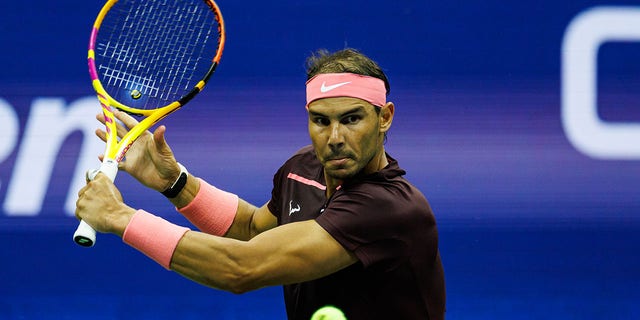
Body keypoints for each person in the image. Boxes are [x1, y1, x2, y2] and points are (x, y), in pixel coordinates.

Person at [76, 48, 446, 320]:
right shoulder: (303, 168)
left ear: (385, 118)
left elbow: (242, 267)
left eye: (351, 119)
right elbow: (252, 229)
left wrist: (120, 217)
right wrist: (174, 183)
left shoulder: (389, 208)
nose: (334, 137)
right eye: (321, 121)